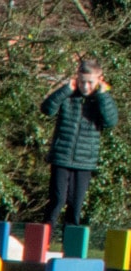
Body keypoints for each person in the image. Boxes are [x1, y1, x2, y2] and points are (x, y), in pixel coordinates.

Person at [43, 58, 118, 232]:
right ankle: (43, 242)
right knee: (57, 200)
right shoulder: (68, 95)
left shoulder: (101, 99)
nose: (85, 87)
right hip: (61, 157)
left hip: (85, 161)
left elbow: (110, 121)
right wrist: (65, 89)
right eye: (82, 82)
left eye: (90, 82)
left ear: (100, 79)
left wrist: (102, 94)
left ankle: (70, 247)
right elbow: (47, 109)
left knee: (75, 205)